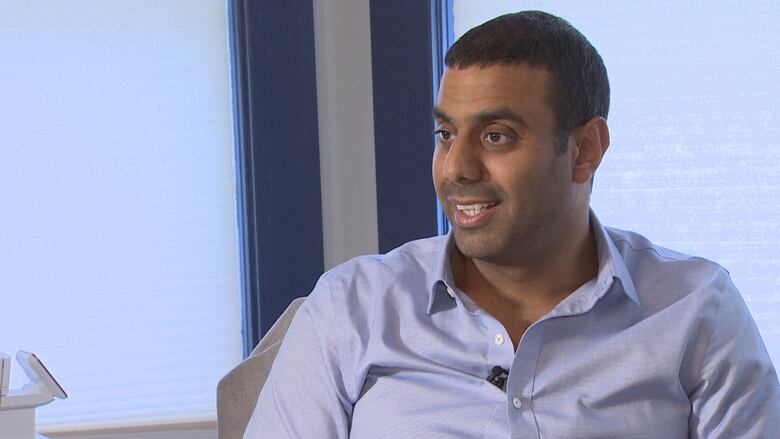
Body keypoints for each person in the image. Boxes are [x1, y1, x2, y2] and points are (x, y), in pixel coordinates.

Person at [243, 11, 779, 438]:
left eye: (496, 135)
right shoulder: (350, 309)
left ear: (585, 150)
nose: (457, 169)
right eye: (446, 134)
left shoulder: (697, 310)